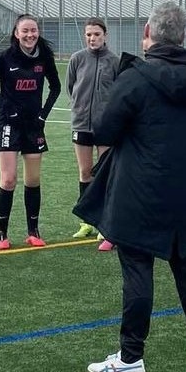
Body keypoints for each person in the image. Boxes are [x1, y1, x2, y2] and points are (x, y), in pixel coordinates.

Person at [75, 2, 186, 372]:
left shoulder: (136, 77)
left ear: (147, 32)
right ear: (183, 37)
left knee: (138, 269)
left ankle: (131, 356)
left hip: (141, 191)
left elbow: (105, 130)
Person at [0, 14, 61, 249]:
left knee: (33, 179)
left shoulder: (44, 56)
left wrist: (43, 114)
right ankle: (1, 235)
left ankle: (33, 231)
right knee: (8, 179)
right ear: (16, 34)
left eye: (33, 30)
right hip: (8, 123)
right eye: (25, 31)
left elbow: (55, 87)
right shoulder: (5, 57)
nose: (30, 35)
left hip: (33, 126)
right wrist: (7, 106)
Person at [66, 17, 119, 251]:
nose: (92, 38)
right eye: (88, 34)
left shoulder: (114, 61)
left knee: (105, 174)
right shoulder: (77, 59)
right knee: (85, 172)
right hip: (81, 125)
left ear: (104, 35)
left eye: (96, 34)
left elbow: (119, 92)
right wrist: (80, 109)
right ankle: (86, 221)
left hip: (105, 126)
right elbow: (71, 87)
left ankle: (105, 225)